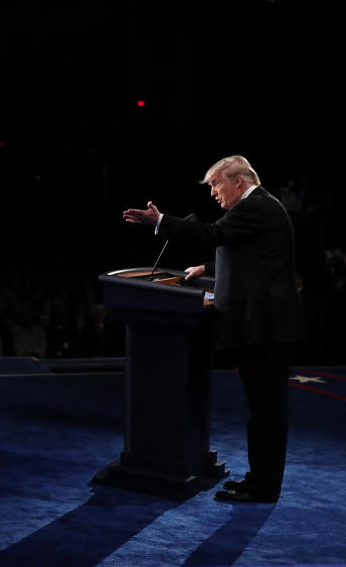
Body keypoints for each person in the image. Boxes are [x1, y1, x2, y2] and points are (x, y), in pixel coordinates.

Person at [123, 155, 304, 503]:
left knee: (266, 411)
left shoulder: (257, 207)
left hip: (267, 328)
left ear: (239, 181)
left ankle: (263, 487)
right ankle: (257, 479)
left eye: (217, 184)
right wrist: (205, 267)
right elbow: (247, 254)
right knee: (262, 410)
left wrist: (162, 221)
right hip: (264, 326)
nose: (213, 193)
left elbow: (214, 234)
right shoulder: (258, 210)